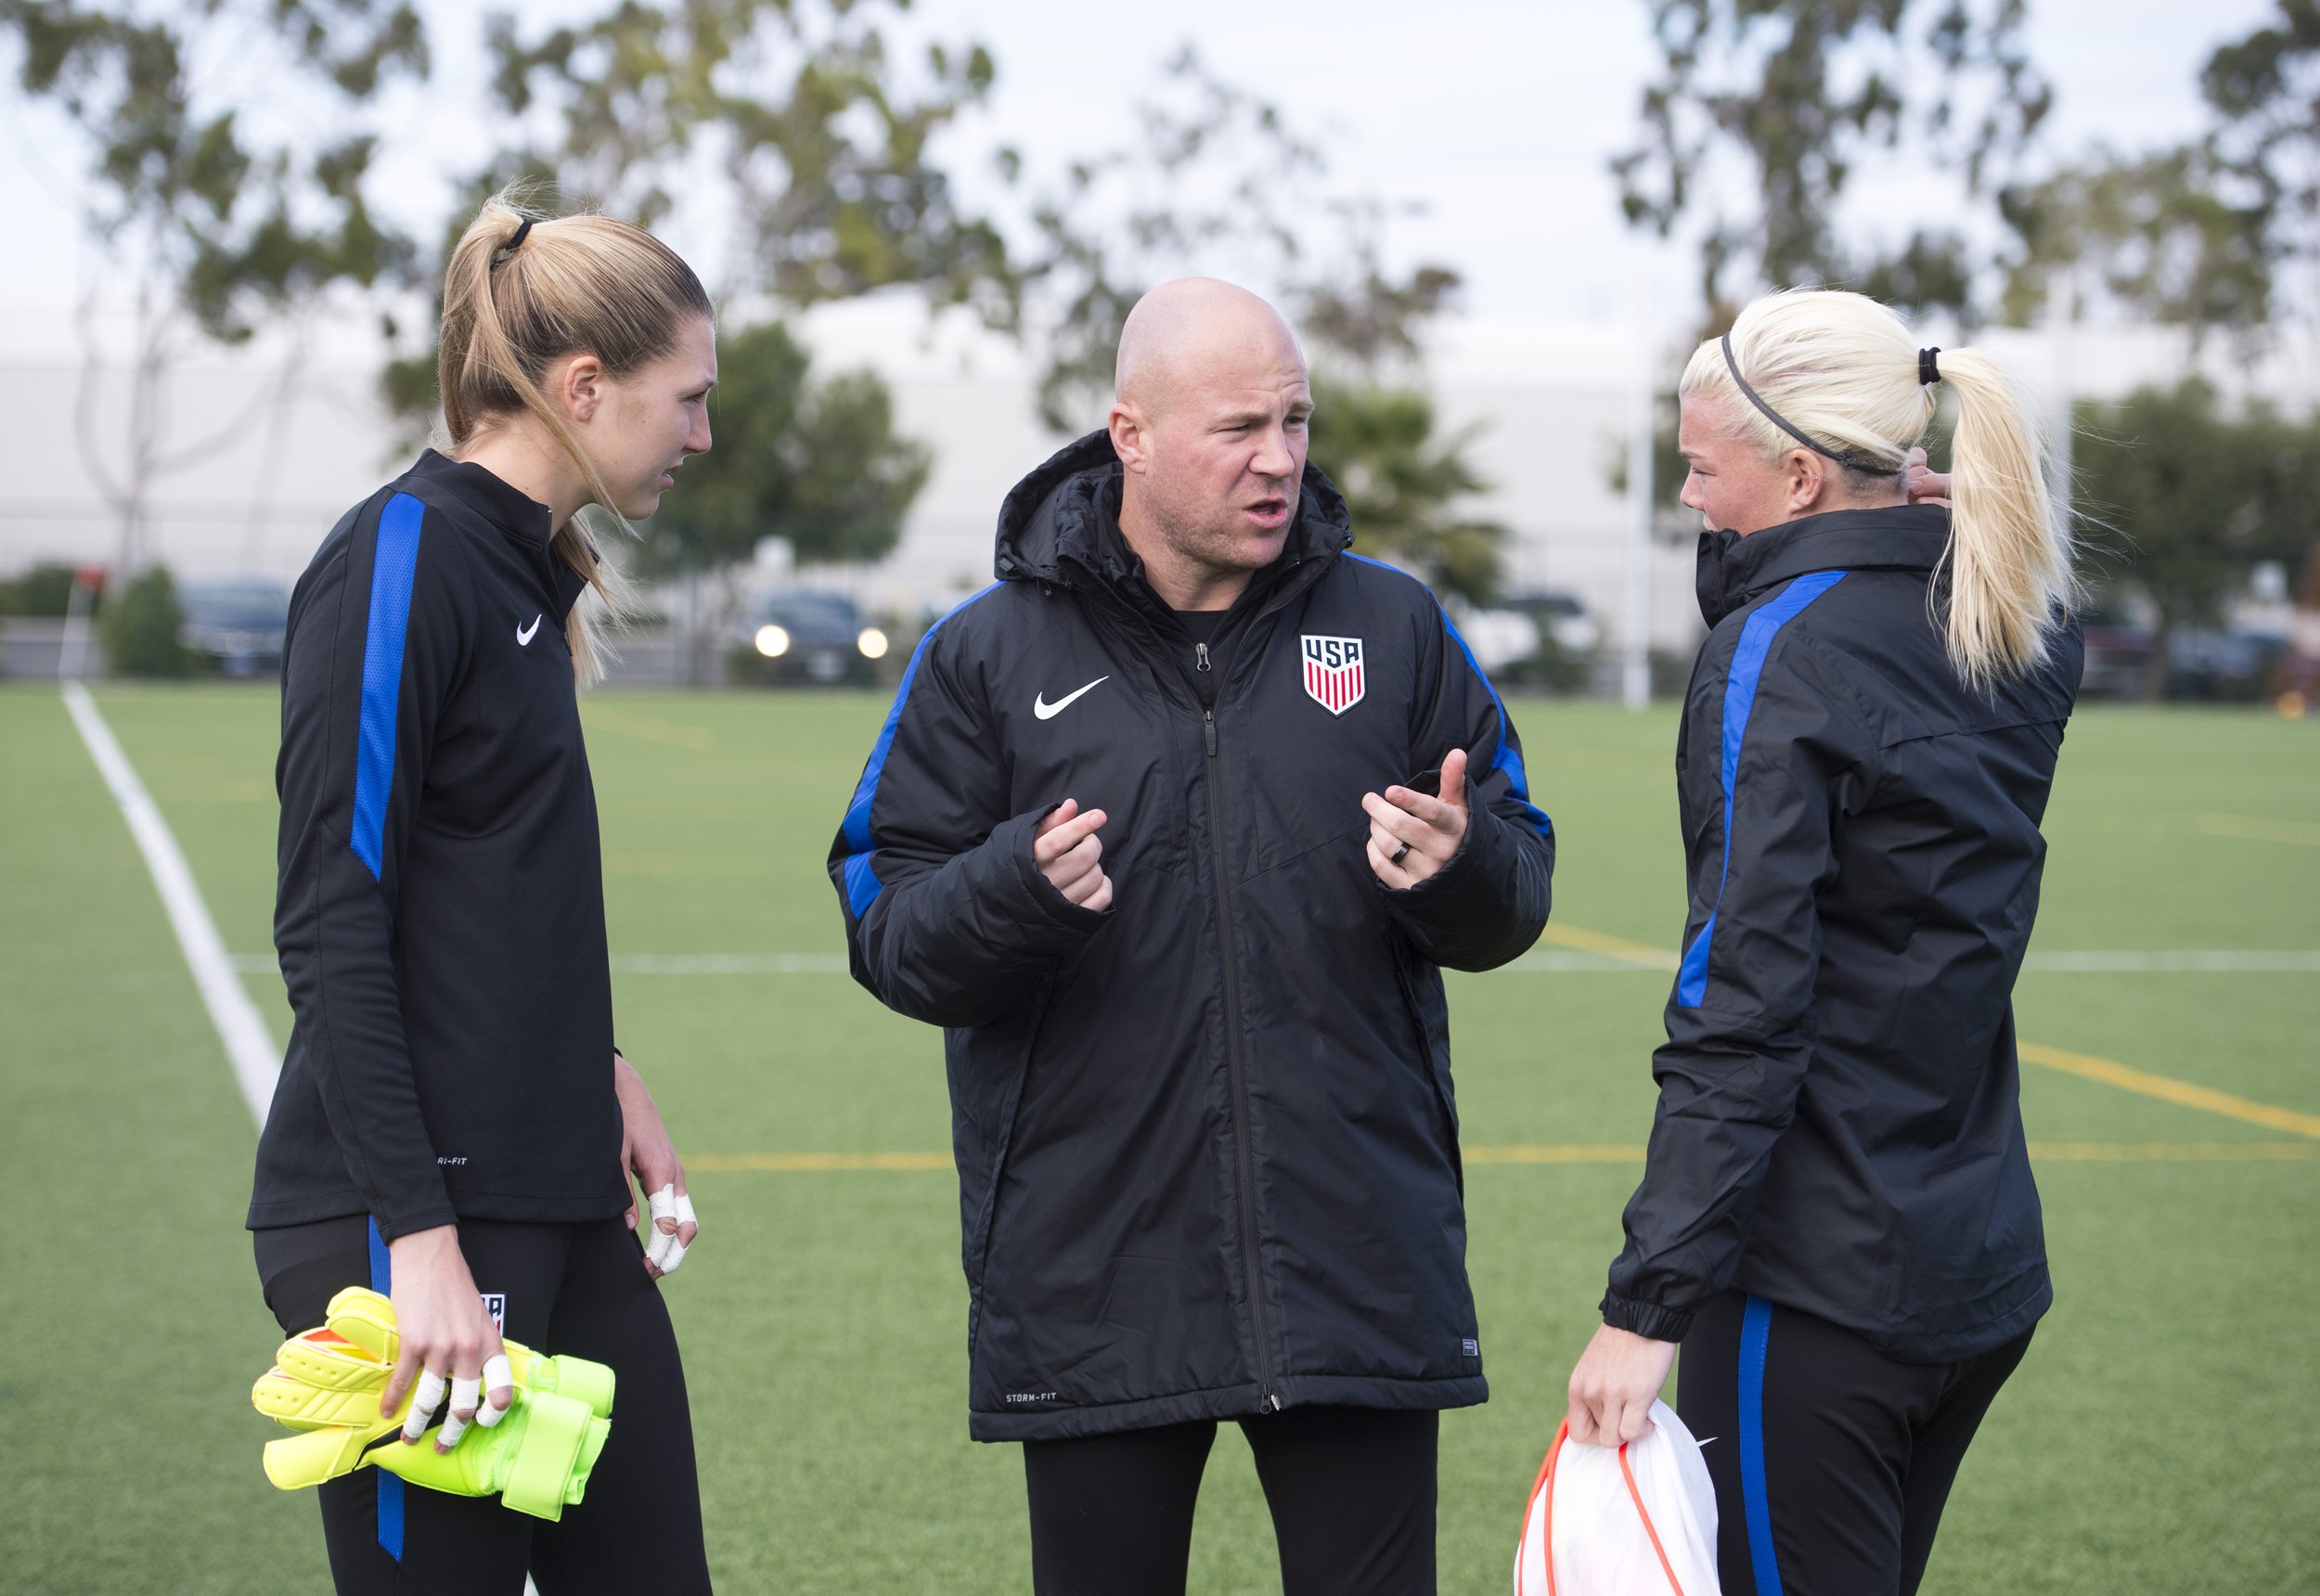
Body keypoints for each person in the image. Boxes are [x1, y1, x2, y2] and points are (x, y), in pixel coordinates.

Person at [827, 277, 1554, 1595]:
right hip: (1101, 1268)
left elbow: (1518, 879)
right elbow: (886, 921)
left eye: (1295, 421)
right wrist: (1017, 890)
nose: (1279, 459)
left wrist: (1465, 867)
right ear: (1131, 435)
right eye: (1238, 428)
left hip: (1355, 1260)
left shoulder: (1394, 629)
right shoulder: (985, 654)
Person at [1562, 289, 2082, 1596]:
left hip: (1817, 1294)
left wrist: (1644, 1309)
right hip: (1972, 1270)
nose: (1684, 495)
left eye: (1697, 465)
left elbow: (1741, 1002)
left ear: (1799, 473)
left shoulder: (1776, 656)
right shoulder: (2017, 619)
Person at [247, 192, 718, 1596]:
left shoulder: (528, 569)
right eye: (686, 398)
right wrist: (421, 1254)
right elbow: (334, 920)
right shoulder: (401, 556)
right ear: (583, 388)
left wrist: (602, 1069)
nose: (702, 435)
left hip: (561, 1204)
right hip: (421, 1231)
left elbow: (493, 900)